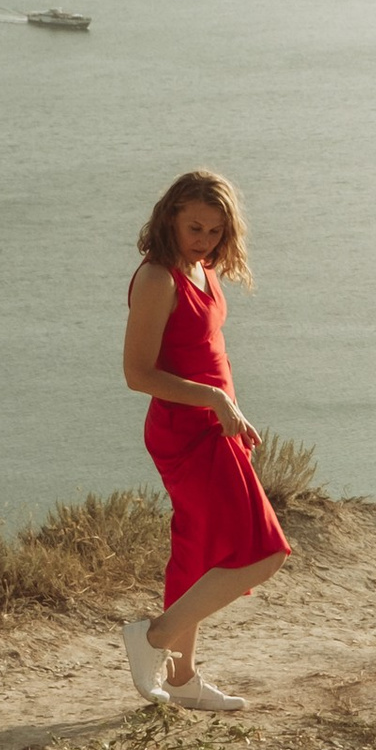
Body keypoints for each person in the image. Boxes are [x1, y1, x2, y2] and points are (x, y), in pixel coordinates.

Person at [120, 169, 291, 711]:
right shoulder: (157, 280)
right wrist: (217, 401)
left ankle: (182, 680)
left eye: (216, 231)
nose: (205, 240)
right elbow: (138, 374)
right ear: (169, 215)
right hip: (185, 430)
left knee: (197, 549)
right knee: (263, 553)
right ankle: (153, 638)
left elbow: (207, 350)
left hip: (218, 425)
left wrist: (229, 407)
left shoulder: (203, 268)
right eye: (195, 227)